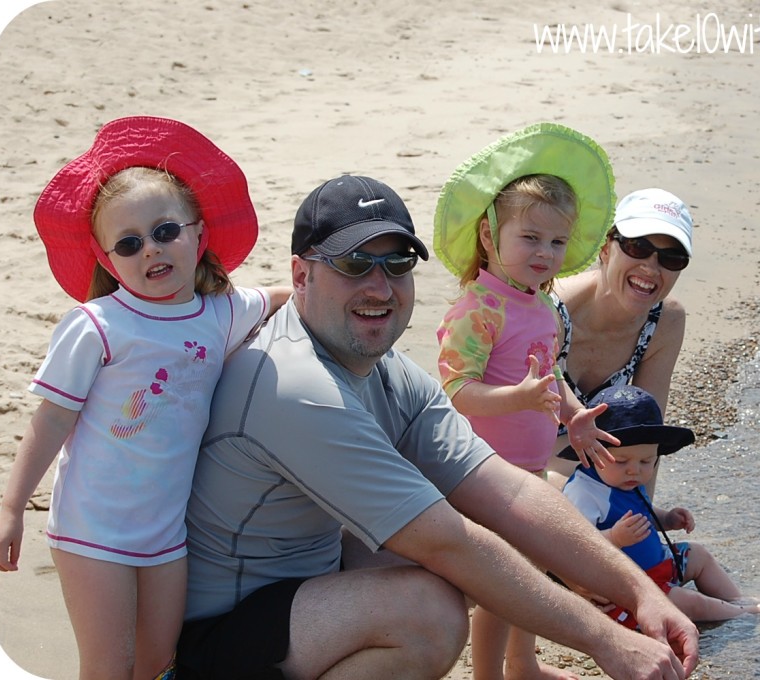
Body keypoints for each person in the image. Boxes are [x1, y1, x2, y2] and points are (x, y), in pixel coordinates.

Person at [176, 174, 700, 680]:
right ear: (300, 275)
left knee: (489, 540)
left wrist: (642, 594)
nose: (378, 286)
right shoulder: (296, 385)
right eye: (354, 263)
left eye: (397, 262)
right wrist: (607, 640)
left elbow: (507, 491)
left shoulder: (382, 368)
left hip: (307, 585)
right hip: (219, 633)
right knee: (429, 614)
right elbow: (450, 543)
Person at [0, 116, 289, 680]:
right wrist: (10, 510)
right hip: (91, 529)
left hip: (165, 533)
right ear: (107, 261)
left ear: (198, 235)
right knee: (109, 667)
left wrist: (325, 282)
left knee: (156, 662)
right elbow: (51, 420)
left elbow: (278, 296)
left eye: (165, 231)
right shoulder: (97, 326)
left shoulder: (221, 311)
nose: (150, 249)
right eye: (128, 244)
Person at [433, 123, 623, 680]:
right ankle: (488, 674)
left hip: (530, 469)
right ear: (490, 238)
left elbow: (550, 375)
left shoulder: (539, 304)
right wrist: (518, 396)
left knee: (531, 573)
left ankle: (523, 663)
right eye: (530, 238)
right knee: (503, 585)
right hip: (481, 470)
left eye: (557, 242)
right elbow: (456, 392)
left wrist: (572, 414)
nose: (545, 253)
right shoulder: (479, 308)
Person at [562, 385, 760, 625]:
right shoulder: (584, 492)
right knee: (692, 604)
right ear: (591, 453)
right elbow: (572, 545)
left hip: (657, 566)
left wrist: (666, 519)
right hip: (627, 588)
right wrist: (614, 536)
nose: (634, 469)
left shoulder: (623, 480)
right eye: (621, 460)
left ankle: (736, 599)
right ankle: (742, 613)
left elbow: (644, 514)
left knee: (699, 555)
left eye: (646, 461)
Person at [546, 188, 695, 498]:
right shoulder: (549, 311)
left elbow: (647, 439)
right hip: (519, 461)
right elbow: (508, 432)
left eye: (671, 258)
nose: (652, 268)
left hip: (601, 470)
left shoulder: (665, 321)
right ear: (605, 249)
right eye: (637, 247)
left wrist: (646, 519)